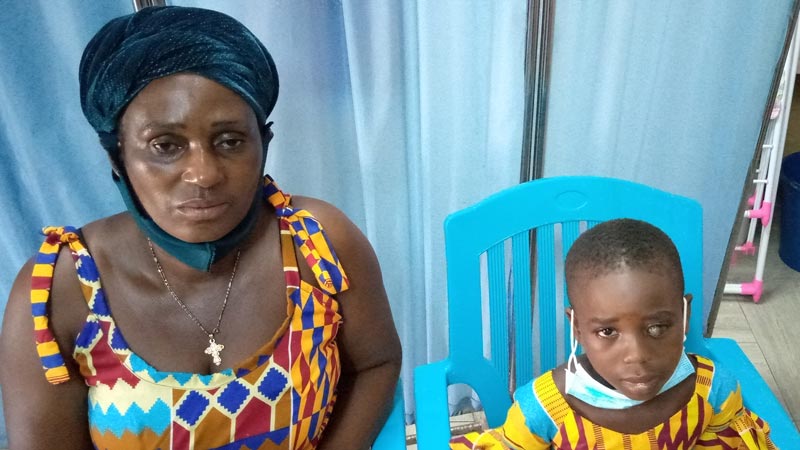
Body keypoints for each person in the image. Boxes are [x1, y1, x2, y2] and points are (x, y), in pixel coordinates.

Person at [0, 6, 401, 450]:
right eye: (165, 146)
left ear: (262, 144)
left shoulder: (316, 243)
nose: (203, 174)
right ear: (117, 158)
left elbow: (376, 363)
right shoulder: (62, 289)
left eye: (230, 141)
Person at [450, 218, 775, 450]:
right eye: (607, 331)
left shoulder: (712, 389)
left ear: (684, 314)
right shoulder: (547, 407)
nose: (637, 355)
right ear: (577, 326)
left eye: (657, 327)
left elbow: (728, 441)